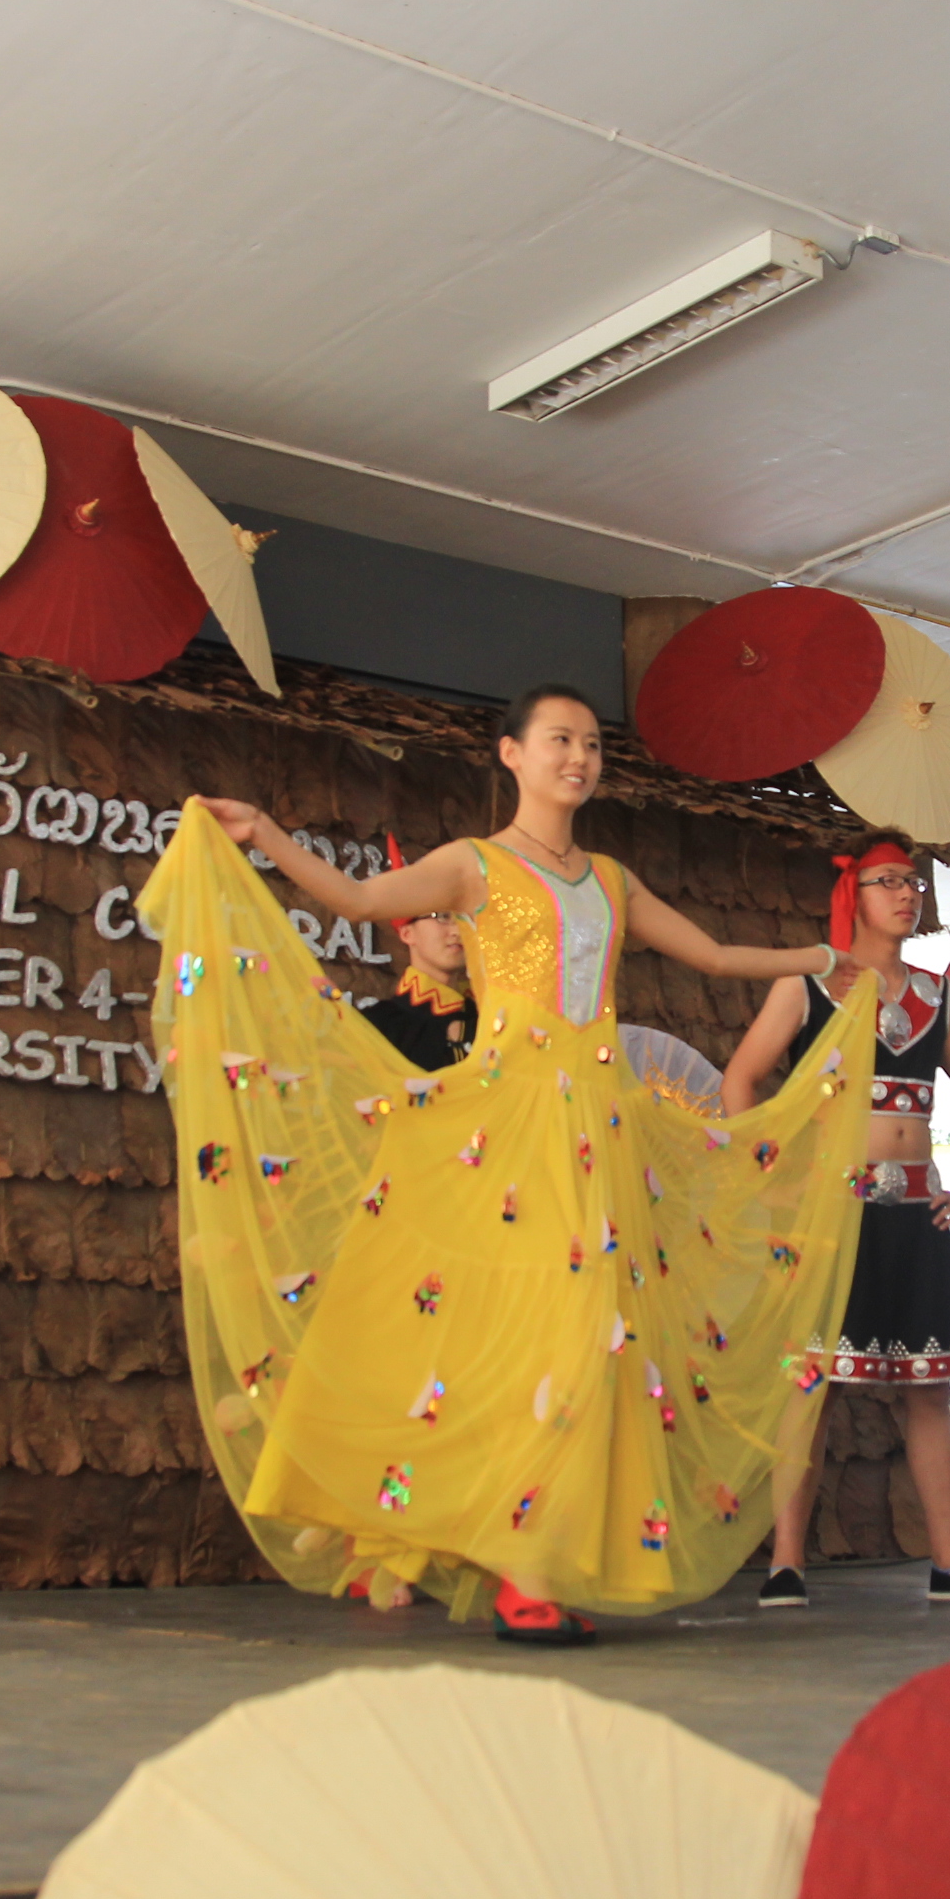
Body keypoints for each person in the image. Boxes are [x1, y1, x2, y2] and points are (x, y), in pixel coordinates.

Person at [145, 683, 878, 1645]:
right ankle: (519, 1572)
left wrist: (819, 961)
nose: (579, 758)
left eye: (592, 744)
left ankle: (540, 1564)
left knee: (594, 1340)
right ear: (512, 755)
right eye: (559, 740)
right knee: (535, 1335)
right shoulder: (475, 865)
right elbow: (360, 900)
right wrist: (268, 835)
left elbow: (707, 953)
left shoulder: (610, 879)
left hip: (599, 1130)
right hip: (509, 1124)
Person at [722, 835, 950, 1607]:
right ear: (851, 894)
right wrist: (772, 1184)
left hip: (917, 1214)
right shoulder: (809, 982)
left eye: (913, 883)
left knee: (931, 1390)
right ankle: (786, 1564)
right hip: (833, 1215)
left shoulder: (936, 993)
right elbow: (741, 1079)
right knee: (810, 1387)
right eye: (887, 881)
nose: (906, 894)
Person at [360, 833, 475, 1074]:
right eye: (442, 917)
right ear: (407, 933)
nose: (457, 931)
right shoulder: (377, 1026)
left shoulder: (491, 1019)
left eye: (463, 918)